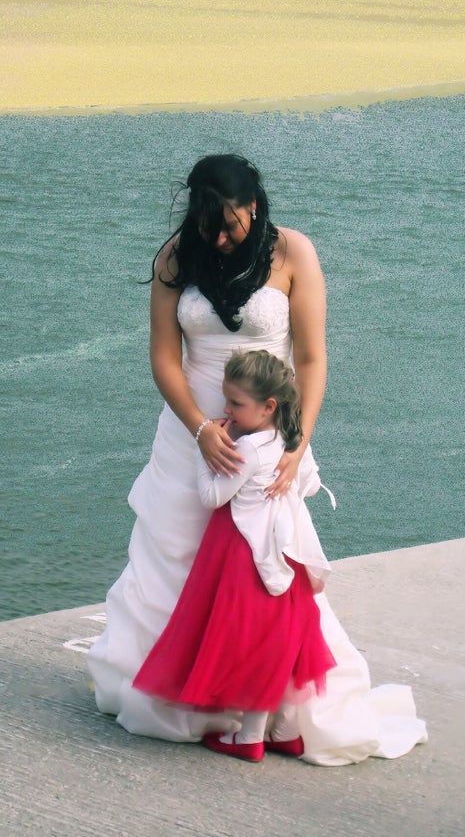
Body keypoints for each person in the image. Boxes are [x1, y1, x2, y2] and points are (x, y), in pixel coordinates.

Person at [86, 153, 427, 766]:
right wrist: (198, 429)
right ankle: (193, 704)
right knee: (177, 559)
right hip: (193, 437)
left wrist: (296, 447)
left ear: (254, 206)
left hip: (272, 443)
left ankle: (273, 710)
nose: (217, 237)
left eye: (229, 224)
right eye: (206, 224)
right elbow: (165, 357)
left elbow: (313, 358)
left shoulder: (294, 252)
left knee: (266, 573)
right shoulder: (176, 256)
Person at [133, 350, 336, 762]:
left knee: (248, 640)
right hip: (285, 551)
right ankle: (285, 729)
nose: (226, 410)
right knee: (282, 638)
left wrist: (201, 451)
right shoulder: (289, 442)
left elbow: (211, 497)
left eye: (235, 404)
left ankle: (248, 739)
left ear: (269, 406)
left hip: (242, 549)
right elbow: (309, 486)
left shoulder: (245, 451)